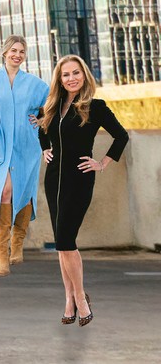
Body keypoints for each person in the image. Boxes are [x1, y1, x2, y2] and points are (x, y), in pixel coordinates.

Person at [38, 54, 128, 327]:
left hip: (79, 179)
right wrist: (45, 148)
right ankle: (69, 298)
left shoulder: (96, 107)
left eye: (76, 73)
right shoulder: (52, 106)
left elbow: (121, 136)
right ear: (60, 79)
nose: (71, 78)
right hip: (53, 180)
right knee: (61, 246)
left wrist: (101, 164)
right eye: (66, 74)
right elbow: (42, 128)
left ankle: (80, 297)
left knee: (66, 241)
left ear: (84, 75)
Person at [0, 35, 49, 277]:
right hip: (0, 146)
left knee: (24, 190)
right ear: (4, 52)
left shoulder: (36, 84)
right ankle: (1, 251)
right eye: (13, 50)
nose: (17, 54)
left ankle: (17, 242)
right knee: (5, 189)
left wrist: (41, 120)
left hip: (27, 145)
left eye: (21, 51)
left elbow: (55, 106)